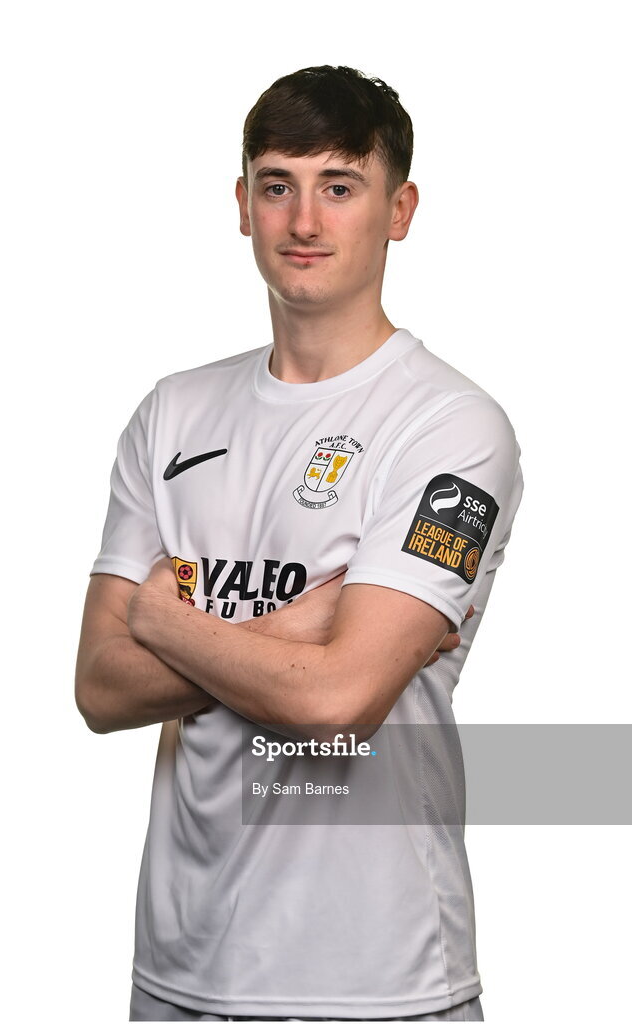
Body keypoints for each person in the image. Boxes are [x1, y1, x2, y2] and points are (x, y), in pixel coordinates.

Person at [75, 65, 523, 1022]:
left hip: (377, 980)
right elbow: (99, 688)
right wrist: (298, 625)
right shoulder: (173, 412)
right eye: (277, 185)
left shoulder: (450, 428)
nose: (304, 221)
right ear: (242, 206)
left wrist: (160, 620)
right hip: (178, 971)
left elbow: (334, 704)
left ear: (398, 210)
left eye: (340, 185)